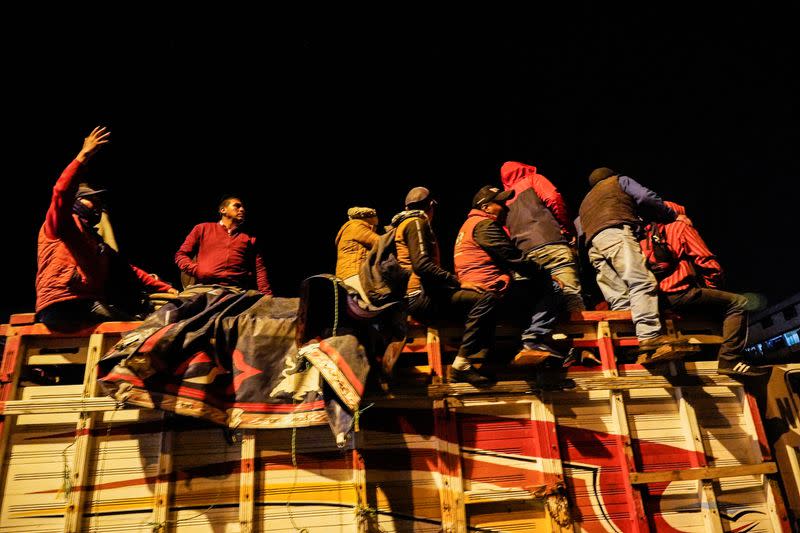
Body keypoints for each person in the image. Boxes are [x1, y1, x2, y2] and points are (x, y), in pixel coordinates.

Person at [35, 126, 177, 329]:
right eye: (92, 200)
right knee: (137, 329)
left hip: (85, 303)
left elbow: (129, 270)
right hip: (63, 303)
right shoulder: (62, 223)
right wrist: (82, 156)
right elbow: (61, 193)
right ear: (78, 201)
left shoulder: (94, 241)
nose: (98, 207)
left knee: (139, 320)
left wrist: (167, 288)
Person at [640, 201, 769, 378]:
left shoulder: (644, 235)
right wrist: (713, 285)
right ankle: (730, 359)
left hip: (655, 299)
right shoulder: (679, 228)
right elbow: (706, 261)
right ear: (676, 214)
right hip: (680, 292)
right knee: (739, 302)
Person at [578, 167, 691, 358]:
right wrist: (672, 215)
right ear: (611, 175)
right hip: (615, 233)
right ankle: (649, 336)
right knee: (641, 281)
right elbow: (646, 197)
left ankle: (630, 343)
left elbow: (579, 231)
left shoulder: (585, 203)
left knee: (620, 298)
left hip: (592, 248)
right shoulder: (618, 181)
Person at [391, 186, 498, 384]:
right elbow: (422, 265)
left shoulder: (403, 223)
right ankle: (462, 364)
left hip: (416, 295)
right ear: (431, 205)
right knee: (485, 298)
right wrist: (459, 282)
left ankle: (469, 356)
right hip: (419, 297)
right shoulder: (416, 222)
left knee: (469, 306)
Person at [454, 185, 563, 367]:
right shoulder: (484, 225)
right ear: (485, 207)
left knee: (526, 290)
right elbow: (513, 258)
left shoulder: (468, 226)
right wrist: (546, 275)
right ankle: (533, 339)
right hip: (490, 288)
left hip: (480, 288)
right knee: (553, 288)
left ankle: (524, 342)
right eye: (500, 203)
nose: (506, 208)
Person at [500, 161, 585, 312]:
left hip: (525, 256)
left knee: (539, 306)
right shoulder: (534, 179)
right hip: (552, 243)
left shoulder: (503, 200)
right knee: (570, 295)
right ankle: (579, 332)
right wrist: (566, 228)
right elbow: (553, 198)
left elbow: (505, 232)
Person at [175, 196, 272, 295]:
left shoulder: (249, 238)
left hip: (235, 291)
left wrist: (267, 295)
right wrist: (197, 270)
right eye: (237, 206)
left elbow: (260, 270)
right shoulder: (202, 229)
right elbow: (181, 255)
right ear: (223, 210)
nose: (242, 209)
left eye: (242, 207)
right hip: (203, 288)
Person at [335, 207, 379, 301]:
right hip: (354, 274)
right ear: (369, 219)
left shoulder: (352, 228)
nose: (375, 228)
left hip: (348, 274)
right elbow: (378, 242)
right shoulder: (356, 226)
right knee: (370, 304)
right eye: (375, 225)